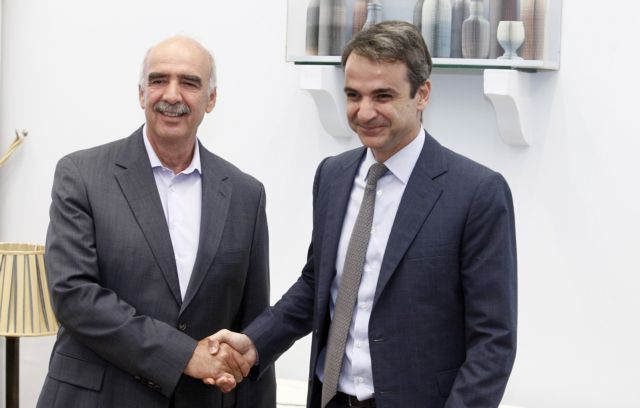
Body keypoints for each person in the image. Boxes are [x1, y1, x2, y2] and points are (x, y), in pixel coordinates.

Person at [211, 21, 517, 408]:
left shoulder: (477, 193)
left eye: (383, 96)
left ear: (422, 94)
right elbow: (317, 285)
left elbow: (493, 342)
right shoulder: (332, 175)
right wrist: (254, 343)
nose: (365, 111)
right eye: (353, 95)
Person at [37, 36, 276, 408]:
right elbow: (74, 296)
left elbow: (252, 325)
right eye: (159, 80)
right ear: (141, 93)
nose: (172, 95)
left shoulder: (246, 194)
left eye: (190, 82)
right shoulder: (81, 175)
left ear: (211, 99)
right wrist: (184, 355)